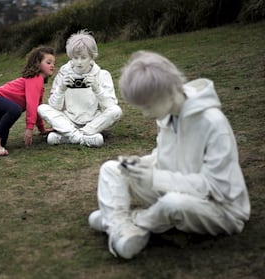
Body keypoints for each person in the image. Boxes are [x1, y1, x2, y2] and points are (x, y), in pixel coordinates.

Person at [88, 51, 250, 259]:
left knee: (173, 203)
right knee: (112, 169)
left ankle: (122, 221)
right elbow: (167, 156)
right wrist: (143, 164)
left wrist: (155, 178)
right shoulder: (167, 114)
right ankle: (122, 226)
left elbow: (214, 187)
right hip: (172, 188)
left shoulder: (212, 123)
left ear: (169, 91)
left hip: (219, 208)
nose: (146, 114)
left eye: (147, 106)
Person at [38, 30, 122, 147]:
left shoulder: (102, 75)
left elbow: (110, 106)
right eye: (75, 57)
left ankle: (69, 137)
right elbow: (55, 107)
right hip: (69, 120)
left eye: (83, 57)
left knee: (116, 111)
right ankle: (83, 138)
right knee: (42, 108)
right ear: (70, 56)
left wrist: (97, 88)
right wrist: (61, 88)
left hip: (93, 120)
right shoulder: (64, 73)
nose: (79, 62)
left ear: (92, 56)